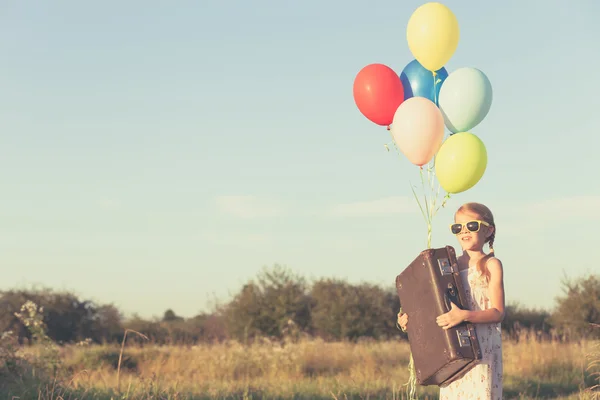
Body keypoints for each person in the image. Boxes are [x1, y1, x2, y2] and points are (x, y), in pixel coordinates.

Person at [397, 202, 505, 400]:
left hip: (482, 349)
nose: (464, 231)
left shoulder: (491, 264)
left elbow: (497, 312)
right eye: (458, 227)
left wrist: (465, 316)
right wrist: (409, 320)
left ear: (489, 230)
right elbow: (432, 307)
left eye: (472, 226)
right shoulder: (445, 266)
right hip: (454, 350)